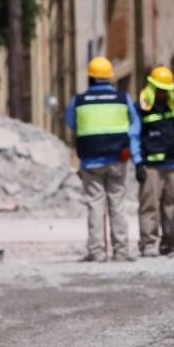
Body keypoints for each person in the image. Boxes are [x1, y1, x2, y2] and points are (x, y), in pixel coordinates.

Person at [65, 56, 141, 263]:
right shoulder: (122, 99)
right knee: (117, 205)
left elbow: (70, 123)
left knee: (95, 206)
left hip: (90, 161)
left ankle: (97, 252)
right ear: (109, 78)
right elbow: (134, 127)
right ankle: (121, 251)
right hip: (117, 160)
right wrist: (135, 156)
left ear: (90, 78)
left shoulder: (78, 101)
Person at [135, 66, 174, 257]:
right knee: (149, 205)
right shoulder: (141, 109)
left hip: (171, 164)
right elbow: (134, 135)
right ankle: (148, 243)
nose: (162, 94)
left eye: (165, 90)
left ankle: (170, 242)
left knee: (171, 205)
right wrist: (138, 162)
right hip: (150, 166)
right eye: (159, 89)